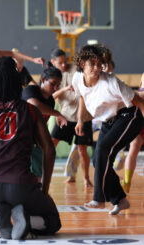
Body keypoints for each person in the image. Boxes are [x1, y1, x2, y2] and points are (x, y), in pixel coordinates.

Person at [0, 57, 61, 240]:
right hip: (22, 186)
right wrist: (44, 190)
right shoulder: (31, 109)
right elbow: (49, 149)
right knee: (52, 221)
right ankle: (27, 221)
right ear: (17, 83)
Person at [72, 44, 144, 215]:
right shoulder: (77, 78)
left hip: (129, 116)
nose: (97, 68)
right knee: (98, 160)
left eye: (99, 64)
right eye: (92, 64)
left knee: (103, 149)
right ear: (82, 64)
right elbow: (82, 96)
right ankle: (120, 199)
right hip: (108, 120)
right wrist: (80, 120)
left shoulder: (111, 82)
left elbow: (140, 103)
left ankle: (99, 198)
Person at [50, 49, 93, 187]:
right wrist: (64, 89)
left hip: (84, 117)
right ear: (53, 62)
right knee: (50, 146)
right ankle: (43, 176)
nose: (63, 65)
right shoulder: (52, 76)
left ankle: (86, 178)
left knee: (82, 149)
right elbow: (50, 97)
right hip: (65, 116)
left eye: (65, 61)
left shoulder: (76, 70)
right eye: (60, 63)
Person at [22, 64, 67, 178]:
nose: (56, 88)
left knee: (38, 172)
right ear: (43, 80)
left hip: (35, 139)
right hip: (21, 136)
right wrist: (58, 114)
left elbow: (43, 121)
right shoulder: (30, 90)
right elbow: (35, 105)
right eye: (53, 84)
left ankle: (39, 193)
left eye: (58, 85)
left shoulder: (51, 101)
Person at [120, 73, 144, 193]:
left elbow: (141, 94)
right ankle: (127, 182)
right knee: (132, 151)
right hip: (140, 117)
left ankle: (127, 181)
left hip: (140, 117)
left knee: (132, 152)